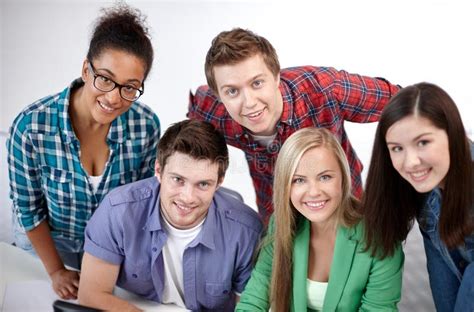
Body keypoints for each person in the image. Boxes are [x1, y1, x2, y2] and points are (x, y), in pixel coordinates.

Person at [6, 4, 160, 300]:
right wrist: (55, 272)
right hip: (50, 250)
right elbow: (28, 211)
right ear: (86, 69)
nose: (114, 98)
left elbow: (143, 203)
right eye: (104, 78)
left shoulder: (147, 125)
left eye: (130, 87)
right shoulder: (30, 127)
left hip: (111, 250)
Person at [188, 27, 400, 222]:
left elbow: (403, 101)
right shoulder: (210, 110)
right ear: (219, 95)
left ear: (276, 77)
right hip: (277, 213)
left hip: (341, 203)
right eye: (232, 91)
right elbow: (192, 137)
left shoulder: (326, 90)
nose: (250, 102)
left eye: (257, 83)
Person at [78, 119, 263, 311]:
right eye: (178, 179)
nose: (187, 197)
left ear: (219, 182)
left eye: (203, 184)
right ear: (158, 170)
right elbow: (91, 294)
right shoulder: (118, 210)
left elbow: (250, 306)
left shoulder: (247, 231)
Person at [236, 128, 404, 311]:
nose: (314, 192)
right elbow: (253, 299)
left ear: (343, 178)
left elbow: (379, 309)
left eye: (325, 177)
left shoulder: (380, 236)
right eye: (299, 180)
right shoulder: (282, 224)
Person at [362, 82, 473, 312]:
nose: (411, 162)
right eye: (397, 148)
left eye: (423, 142)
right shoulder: (425, 191)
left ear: (452, 133)